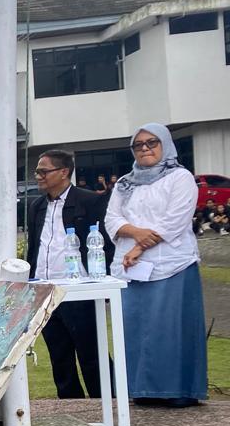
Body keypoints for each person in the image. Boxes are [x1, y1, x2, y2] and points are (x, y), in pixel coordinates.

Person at [105, 123, 207, 406]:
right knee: (135, 330)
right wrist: (136, 234)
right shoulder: (125, 183)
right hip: (132, 269)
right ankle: (142, 392)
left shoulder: (180, 178)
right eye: (139, 145)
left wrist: (139, 245)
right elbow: (111, 219)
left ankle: (176, 393)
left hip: (172, 266)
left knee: (169, 330)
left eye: (152, 143)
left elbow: (175, 220)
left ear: (165, 145)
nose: (145, 149)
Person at [26, 150, 114, 398]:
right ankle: (72, 411)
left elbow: (106, 245)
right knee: (60, 359)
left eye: (44, 171)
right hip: (45, 290)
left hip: (79, 290)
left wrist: (101, 282)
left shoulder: (90, 201)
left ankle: (109, 404)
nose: (38, 176)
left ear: (64, 172)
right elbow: (35, 247)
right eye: (37, 172)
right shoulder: (37, 206)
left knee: (92, 355)